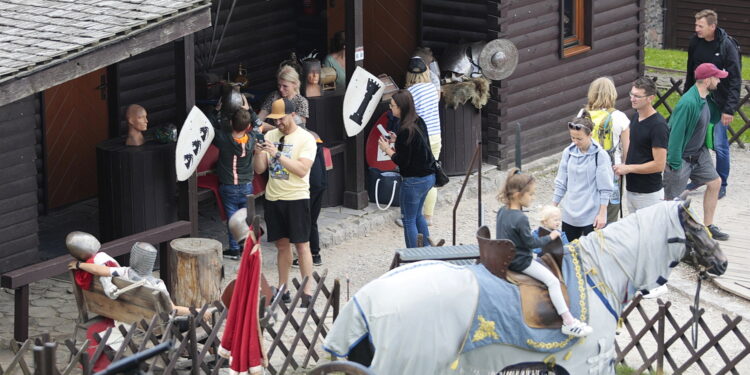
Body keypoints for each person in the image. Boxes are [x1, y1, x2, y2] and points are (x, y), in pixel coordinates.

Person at [496, 168, 592, 337]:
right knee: (553, 281)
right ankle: (568, 321)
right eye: (531, 194)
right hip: (520, 261)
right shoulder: (520, 218)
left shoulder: (503, 211)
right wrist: (551, 237)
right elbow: (532, 244)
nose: (533, 198)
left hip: (504, 256)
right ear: (519, 195)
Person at [254, 98, 317, 306]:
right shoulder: (270, 135)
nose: (278, 123)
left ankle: (307, 291)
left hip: (297, 197)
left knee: (302, 245)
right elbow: (260, 169)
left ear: (292, 115)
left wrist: (277, 154)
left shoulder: (306, 139)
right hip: (274, 197)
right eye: (275, 119)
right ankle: (283, 288)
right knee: (281, 246)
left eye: (281, 118)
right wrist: (258, 153)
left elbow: (301, 170)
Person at [663, 63, 728, 241]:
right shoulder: (688, 103)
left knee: (715, 183)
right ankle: (668, 235)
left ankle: (708, 227)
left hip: (699, 154)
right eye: (716, 78)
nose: (719, 81)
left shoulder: (705, 98)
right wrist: (674, 163)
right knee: (672, 202)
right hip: (682, 158)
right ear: (707, 80)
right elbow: (675, 134)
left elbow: (711, 119)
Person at [684, 9, 742, 199]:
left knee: (719, 144)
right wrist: (686, 98)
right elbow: (690, 72)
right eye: (696, 25)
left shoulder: (727, 45)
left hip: (719, 102)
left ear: (712, 26)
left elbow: (735, 79)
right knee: (696, 141)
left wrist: (729, 109)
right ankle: (700, 176)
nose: (697, 29)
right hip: (699, 100)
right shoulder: (695, 42)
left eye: (700, 26)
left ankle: (721, 182)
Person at [68, 241, 205, 319]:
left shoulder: (122, 272)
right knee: (185, 317)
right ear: (151, 261)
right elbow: (172, 309)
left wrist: (79, 265)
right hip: (152, 324)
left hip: (124, 317)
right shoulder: (157, 285)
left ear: (134, 257)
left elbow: (100, 270)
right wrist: (198, 311)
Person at [378, 90, 436, 248]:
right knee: (418, 216)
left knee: (408, 220)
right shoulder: (418, 121)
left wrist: (387, 149)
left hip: (413, 181)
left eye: (393, 106)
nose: (391, 109)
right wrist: (397, 141)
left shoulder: (404, 129)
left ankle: (413, 257)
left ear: (401, 107)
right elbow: (417, 146)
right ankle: (428, 250)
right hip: (429, 176)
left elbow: (402, 161)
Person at [552, 110, 614, 241]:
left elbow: (606, 187)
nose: (575, 141)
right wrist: (553, 207)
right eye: (572, 137)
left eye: (579, 138)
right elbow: (561, 181)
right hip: (570, 214)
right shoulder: (568, 153)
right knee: (568, 252)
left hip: (591, 215)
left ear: (590, 135)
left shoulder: (600, 156)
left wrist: (602, 214)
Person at [613, 77, 669, 214]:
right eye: (631, 94)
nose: (632, 99)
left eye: (637, 96)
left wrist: (628, 168)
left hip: (648, 193)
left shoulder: (658, 126)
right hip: (632, 189)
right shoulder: (635, 118)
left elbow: (659, 165)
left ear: (650, 98)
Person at [399, 55, 442, 227]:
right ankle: (428, 216)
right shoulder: (433, 89)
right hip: (436, 136)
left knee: (414, 177)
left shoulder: (409, 94)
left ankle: (412, 215)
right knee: (431, 175)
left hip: (419, 138)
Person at [585, 77, 630, 223]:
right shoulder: (620, 117)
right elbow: (627, 149)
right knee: (610, 213)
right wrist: (622, 166)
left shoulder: (583, 115)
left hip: (586, 169)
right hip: (612, 169)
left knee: (587, 210)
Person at [214, 109, 255, 260]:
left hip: (229, 185)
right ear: (248, 125)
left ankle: (234, 248)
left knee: (233, 218)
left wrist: (217, 111)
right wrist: (249, 108)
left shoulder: (223, 139)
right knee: (246, 217)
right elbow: (257, 126)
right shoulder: (251, 139)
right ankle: (246, 245)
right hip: (247, 185)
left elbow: (210, 127)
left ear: (231, 123)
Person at [293, 130, 327, 268]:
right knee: (312, 221)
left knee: (306, 221)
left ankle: (308, 256)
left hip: (309, 186)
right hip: (320, 183)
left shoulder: (303, 140)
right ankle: (315, 255)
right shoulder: (315, 136)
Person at [259, 65, 310, 131]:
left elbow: (298, 128)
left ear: (295, 84)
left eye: (285, 86)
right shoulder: (274, 96)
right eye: (279, 85)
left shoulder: (301, 102)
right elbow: (259, 119)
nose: (281, 89)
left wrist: (272, 128)